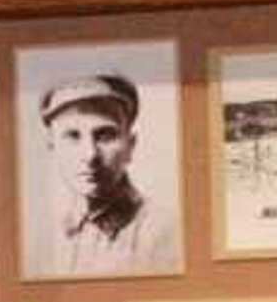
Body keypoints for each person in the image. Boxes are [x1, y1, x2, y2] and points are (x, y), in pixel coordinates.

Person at [34, 72, 179, 278]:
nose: (90, 155)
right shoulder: (47, 236)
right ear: (52, 145)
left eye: (105, 136)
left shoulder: (166, 232)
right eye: (73, 136)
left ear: (130, 145)